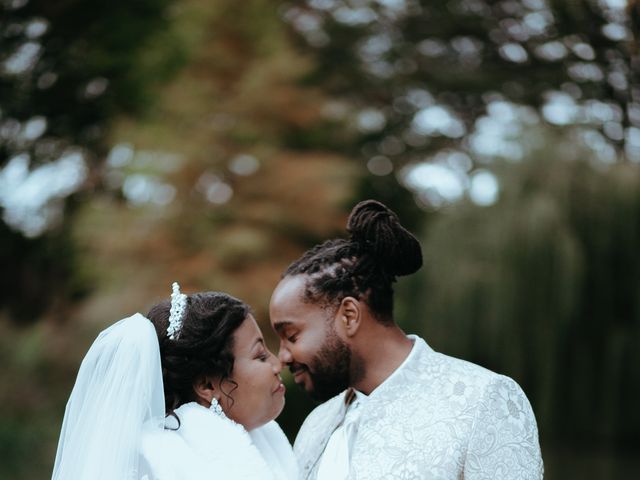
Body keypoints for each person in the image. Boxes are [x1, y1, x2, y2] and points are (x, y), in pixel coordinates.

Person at [269, 199, 543, 480]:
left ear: (349, 315)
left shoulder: (481, 399)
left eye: (291, 336)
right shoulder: (317, 424)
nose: (283, 357)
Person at [52, 283, 299, 480]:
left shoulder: (267, 442)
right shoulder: (158, 463)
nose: (278, 365)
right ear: (207, 386)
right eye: (260, 355)